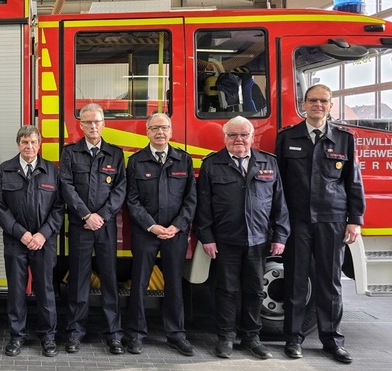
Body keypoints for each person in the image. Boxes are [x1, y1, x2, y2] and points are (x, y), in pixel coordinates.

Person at [276, 84, 365, 364]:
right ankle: (293, 339)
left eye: (323, 101)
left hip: (332, 220)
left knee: (330, 283)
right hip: (297, 221)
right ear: (304, 104)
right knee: (295, 281)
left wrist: (355, 220)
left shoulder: (344, 139)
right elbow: (277, 184)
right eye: (313, 100)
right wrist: (278, 221)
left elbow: (353, 181)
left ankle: (332, 341)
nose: (317, 105)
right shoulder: (287, 137)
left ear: (331, 105)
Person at [195, 116, 289, 360]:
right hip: (225, 240)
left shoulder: (269, 163)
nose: (238, 139)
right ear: (225, 137)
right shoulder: (212, 164)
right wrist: (206, 237)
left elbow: (279, 204)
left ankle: (251, 339)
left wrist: (280, 236)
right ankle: (225, 338)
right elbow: (203, 206)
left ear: (251, 137)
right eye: (233, 135)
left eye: (243, 135)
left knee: (255, 290)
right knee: (226, 290)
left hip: (258, 240)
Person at [123, 113, 197, 357]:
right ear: (147, 132)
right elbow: (131, 200)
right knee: (139, 283)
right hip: (146, 232)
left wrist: (177, 226)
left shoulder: (183, 160)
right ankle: (135, 334)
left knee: (175, 284)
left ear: (171, 131)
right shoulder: (136, 161)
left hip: (175, 233)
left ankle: (176, 335)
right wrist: (151, 226)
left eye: (164, 127)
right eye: (154, 128)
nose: (160, 132)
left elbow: (190, 199)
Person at [59, 103, 126, 355]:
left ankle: (114, 334)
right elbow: (66, 185)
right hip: (80, 225)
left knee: (110, 280)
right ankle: (75, 332)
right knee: (78, 281)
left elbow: (120, 189)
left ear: (104, 123)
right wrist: (86, 215)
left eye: (97, 121)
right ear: (81, 125)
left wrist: (102, 215)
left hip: (106, 226)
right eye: (87, 122)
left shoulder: (115, 154)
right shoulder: (70, 153)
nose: (93, 126)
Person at [0, 125, 63, 357]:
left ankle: (48, 337)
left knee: (45, 289)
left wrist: (42, 234)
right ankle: (17, 336)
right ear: (18, 144)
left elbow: (58, 207)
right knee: (16, 291)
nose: (29, 147)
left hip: (44, 241)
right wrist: (21, 233)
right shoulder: (5, 170)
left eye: (33, 142)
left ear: (39, 144)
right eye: (25, 142)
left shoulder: (52, 171)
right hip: (16, 241)